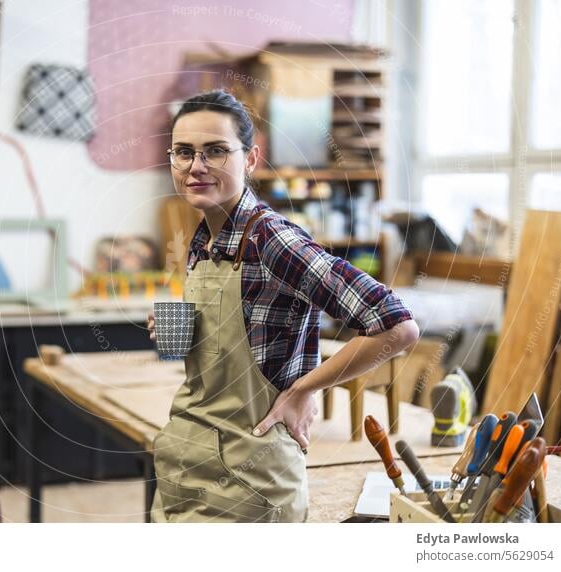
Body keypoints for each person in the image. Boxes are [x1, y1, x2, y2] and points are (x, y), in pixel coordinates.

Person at [147, 90, 419, 523]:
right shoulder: (203, 239)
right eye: (184, 153)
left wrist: (304, 389)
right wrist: (186, 330)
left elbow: (396, 326)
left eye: (215, 151)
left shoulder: (272, 240)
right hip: (186, 464)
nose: (196, 166)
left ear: (250, 159)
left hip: (249, 483)